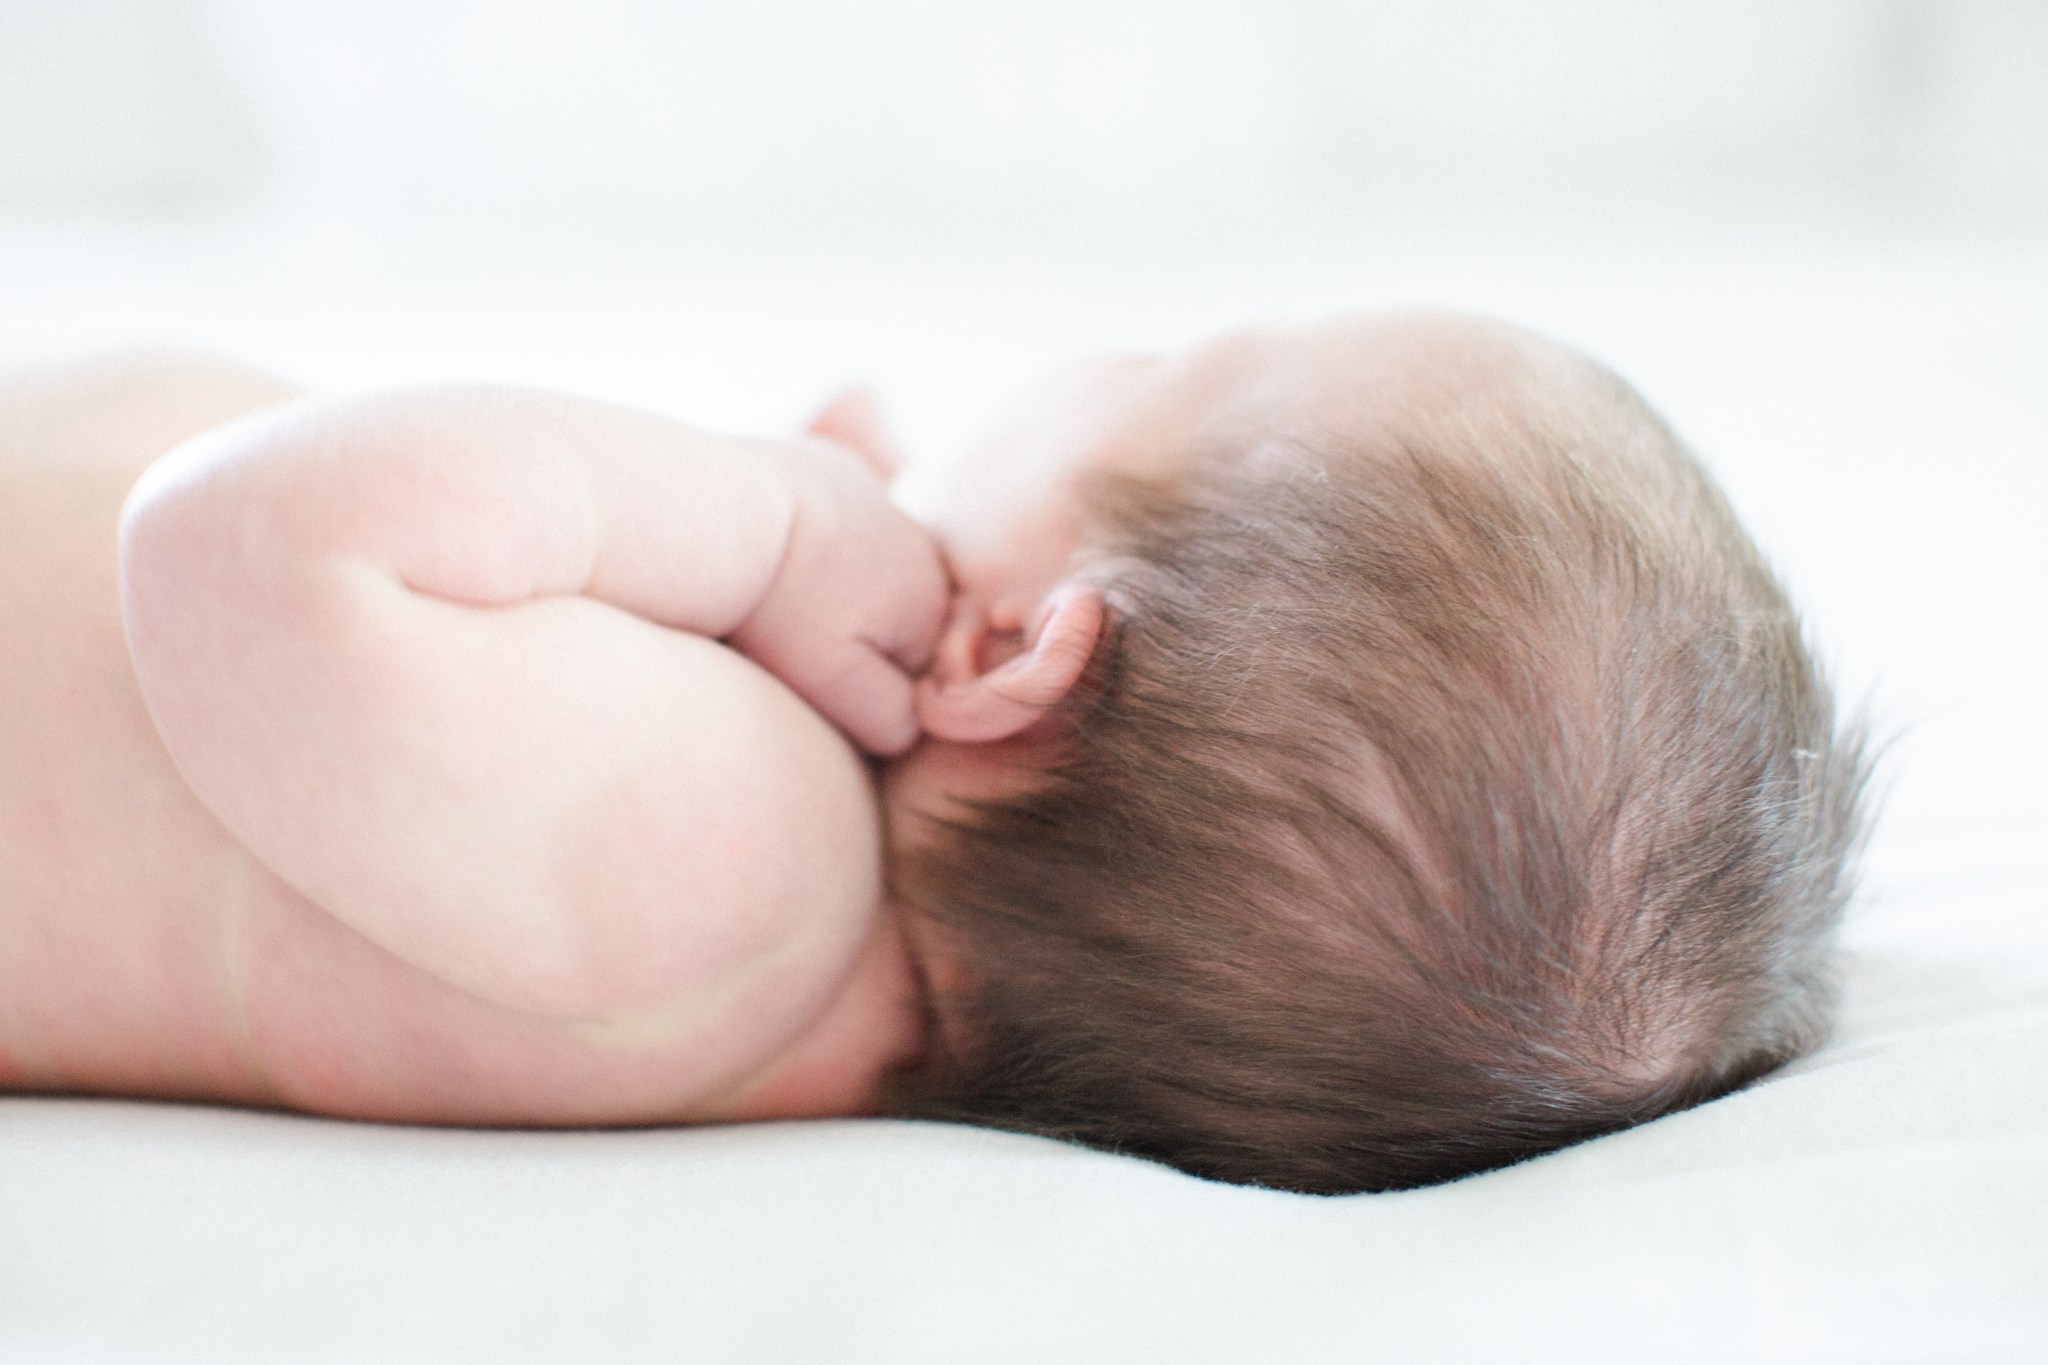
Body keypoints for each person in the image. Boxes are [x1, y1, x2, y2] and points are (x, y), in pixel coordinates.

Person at [0, 312, 1868, 1193]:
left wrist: (768, 518)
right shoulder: (762, 921)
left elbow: (241, 546)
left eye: (1160, 368)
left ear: (1004, 658)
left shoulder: (741, 877)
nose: (1103, 345)